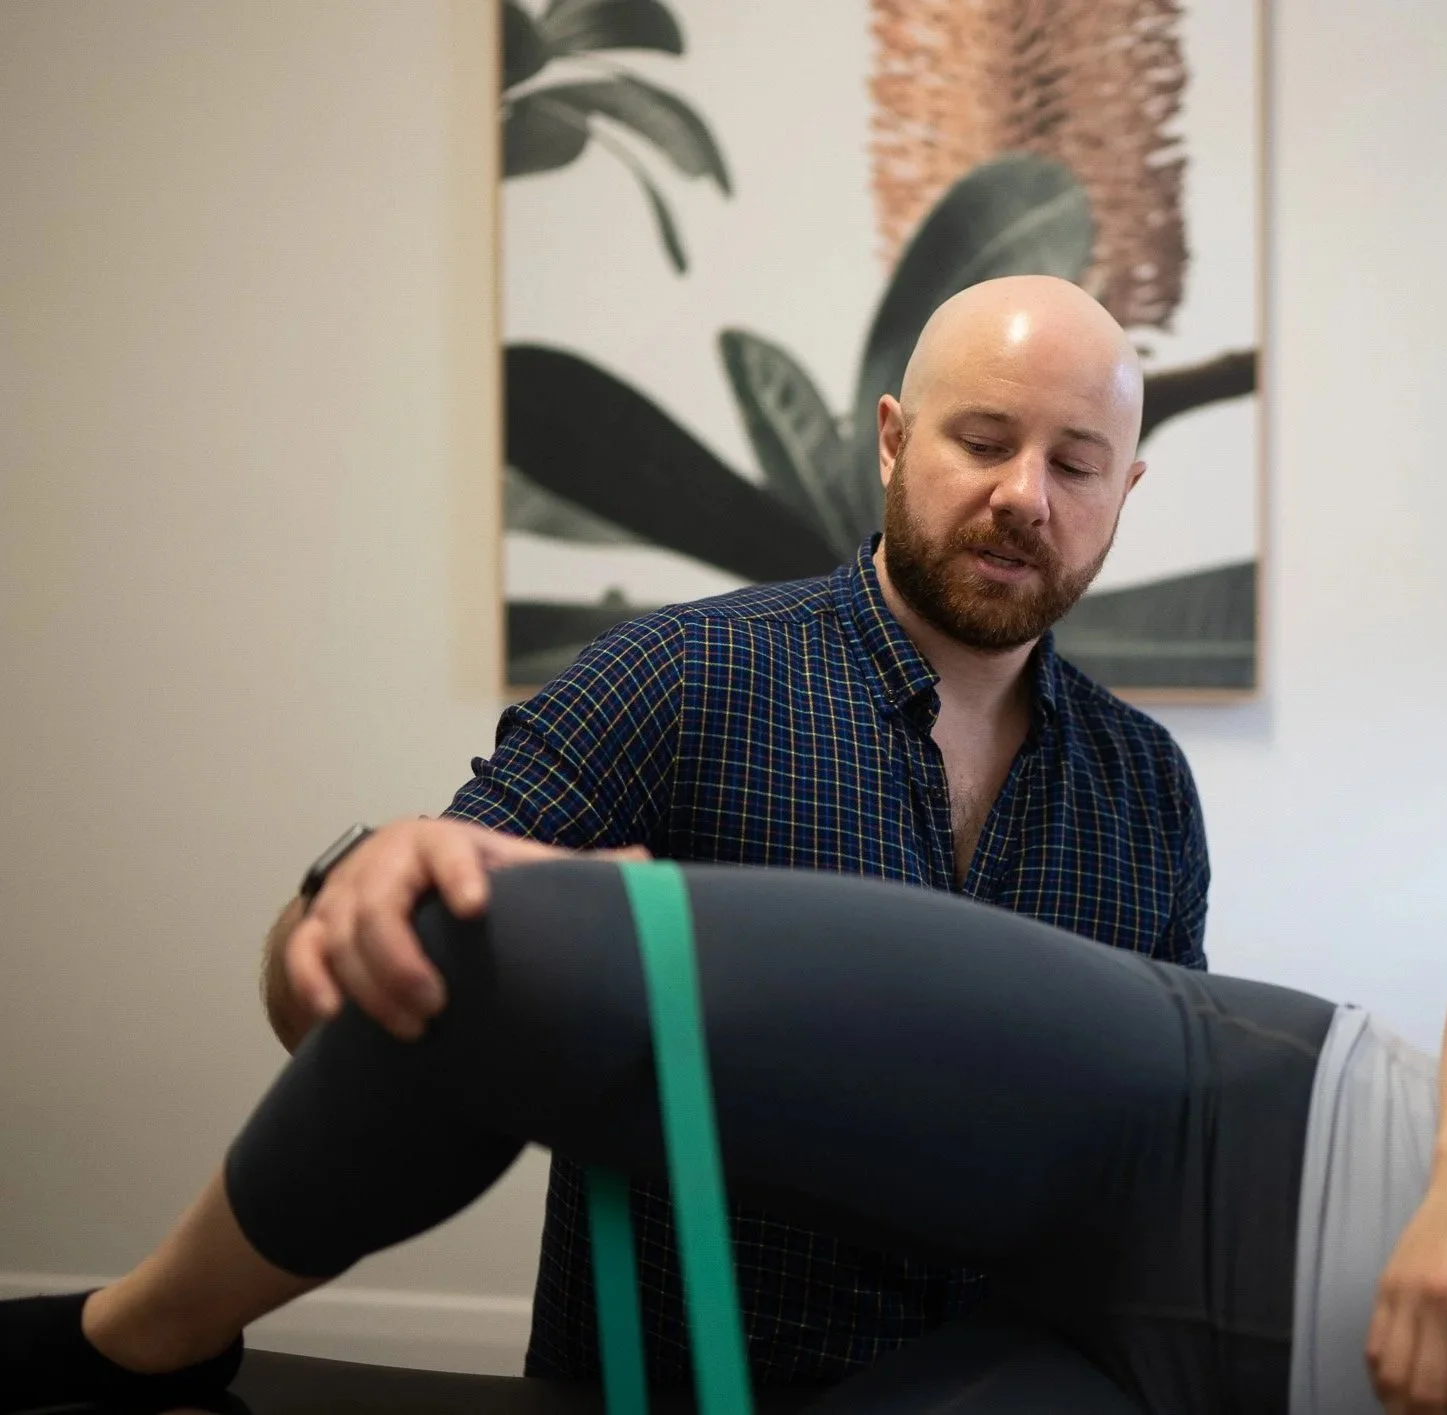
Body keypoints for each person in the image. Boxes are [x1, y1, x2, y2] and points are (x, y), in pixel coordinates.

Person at [255, 275, 1213, 1388]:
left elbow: (1163, 1151)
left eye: (1075, 463)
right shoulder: (674, 682)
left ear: (1124, 488)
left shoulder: (1146, 786)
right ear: (894, 443)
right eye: (984, 439)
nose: (1023, 495)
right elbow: (350, 982)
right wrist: (338, 914)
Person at [8, 865, 1447, 1414]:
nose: (1027, 492)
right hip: (1249, 1137)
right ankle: (131, 1349)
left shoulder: (1122, 775)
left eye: (1073, 458)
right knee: (485, 950)